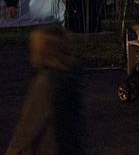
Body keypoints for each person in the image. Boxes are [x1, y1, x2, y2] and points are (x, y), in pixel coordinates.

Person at [5, 25, 86, 155]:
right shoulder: (69, 76)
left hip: (49, 147)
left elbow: (30, 123)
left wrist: (13, 149)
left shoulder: (45, 83)